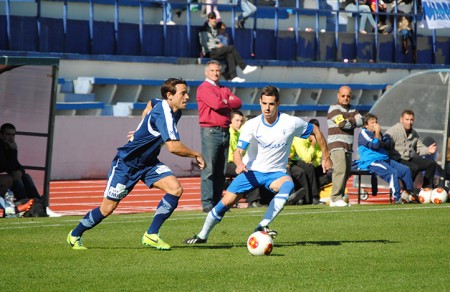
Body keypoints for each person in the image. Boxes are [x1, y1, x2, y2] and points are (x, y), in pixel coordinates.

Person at [67, 78, 205, 250]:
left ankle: (151, 235)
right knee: (107, 209)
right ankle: (75, 234)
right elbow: (173, 147)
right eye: (183, 93)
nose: (187, 97)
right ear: (170, 95)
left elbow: (149, 103)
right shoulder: (165, 114)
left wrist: (142, 128)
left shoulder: (171, 109)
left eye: (186, 92)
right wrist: (196, 154)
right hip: (127, 164)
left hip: (148, 163)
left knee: (175, 188)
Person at [184, 85, 332, 244]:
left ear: (278, 104)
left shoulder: (290, 122)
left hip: (276, 174)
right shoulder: (252, 125)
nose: (267, 108)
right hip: (251, 173)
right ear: (260, 103)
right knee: (225, 203)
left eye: (271, 104)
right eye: (264, 103)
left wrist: (326, 156)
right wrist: (239, 163)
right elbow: (238, 151)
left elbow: (315, 129)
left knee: (287, 185)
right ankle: (202, 236)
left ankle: (262, 225)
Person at [197, 60, 242, 213]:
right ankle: (207, 203)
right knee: (209, 169)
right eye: (212, 70)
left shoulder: (223, 88)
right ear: (206, 72)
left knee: (220, 170)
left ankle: (217, 202)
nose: (215, 73)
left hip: (223, 131)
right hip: (211, 131)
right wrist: (226, 101)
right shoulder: (203, 88)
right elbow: (217, 104)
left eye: (217, 70)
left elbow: (238, 102)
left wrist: (225, 102)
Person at [356, 113, 415, 204]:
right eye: (372, 122)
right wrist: (377, 133)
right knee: (392, 173)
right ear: (366, 125)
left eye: (376, 122)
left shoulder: (378, 133)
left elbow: (386, 144)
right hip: (372, 161)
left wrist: (382, 138)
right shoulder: (363, 133)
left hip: (385, 159)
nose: (376, 124)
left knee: (406, 170)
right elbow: (375, 145)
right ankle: (397, 199)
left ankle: (410, 195)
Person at [0, 123, 48, 216]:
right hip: (5, 180)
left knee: (25, 177)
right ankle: (25, 204)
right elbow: (6, 166)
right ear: (1, 135)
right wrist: (13, 151)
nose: (11, 137)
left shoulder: (8, 147)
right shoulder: (4, 148)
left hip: (7, 178)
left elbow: (18, 166)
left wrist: (20, 171)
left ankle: (37, 203)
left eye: (13, 135)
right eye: (8, 134)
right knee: (15, 179)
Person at [327, 85, 363, 207]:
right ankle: (336, 197)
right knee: (340, 170)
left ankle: (338, 197)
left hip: (348, 145)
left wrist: (350, 120)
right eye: (343, 95)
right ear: (338, 95)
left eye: (348, 96)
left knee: (346, 171)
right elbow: (342, 124)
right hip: (336, 144)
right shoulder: (334, 108)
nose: (346, 98)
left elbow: (361, 121)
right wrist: (352, 120)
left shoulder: (353, 109)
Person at [384, 109, 437, 189]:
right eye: (407, 119)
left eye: (411, 120)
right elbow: (385, 144)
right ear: (401, 119)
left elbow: (419, 148)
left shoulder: (414, 133)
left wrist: (428, 150)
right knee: (413, 168)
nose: (409, 122)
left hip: (407, 159)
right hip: (396, 160)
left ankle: (427, 188)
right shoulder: (393, 131)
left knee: (431, 164)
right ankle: (407, 190)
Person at [199, 12, 257, 83]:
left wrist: (218, 44)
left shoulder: (213, 29)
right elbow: (205, 44)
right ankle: (244, 67)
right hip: (210, 52)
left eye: (215, 18)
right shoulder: (205, 29)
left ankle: (233, 77)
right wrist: (217, 45)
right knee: (231, 48)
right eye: (212, 18)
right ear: (209, 19)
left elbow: (214, 39)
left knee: (230, 55)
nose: (214, 20)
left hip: (216, 50)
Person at [224, 110, 265, 208]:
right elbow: (233, 154)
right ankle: (253, 201)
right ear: (231, 121)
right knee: (251, 172)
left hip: (236, 162)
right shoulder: (228, 133)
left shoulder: (238, 133)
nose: (239, 123)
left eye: (241, 121)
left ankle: (264, 199)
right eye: (237, 120)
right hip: (227, 163)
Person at [288, 118, 327, 205]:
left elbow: (319, 156)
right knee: (308, 168)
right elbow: (306, 158)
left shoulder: (318, 137)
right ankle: (313, 197)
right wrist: (313, 145)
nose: (315, 134)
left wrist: (317, 163)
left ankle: (312, 197)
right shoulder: (299, 138)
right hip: (295, 161)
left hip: (310, 162)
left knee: (327, 170)